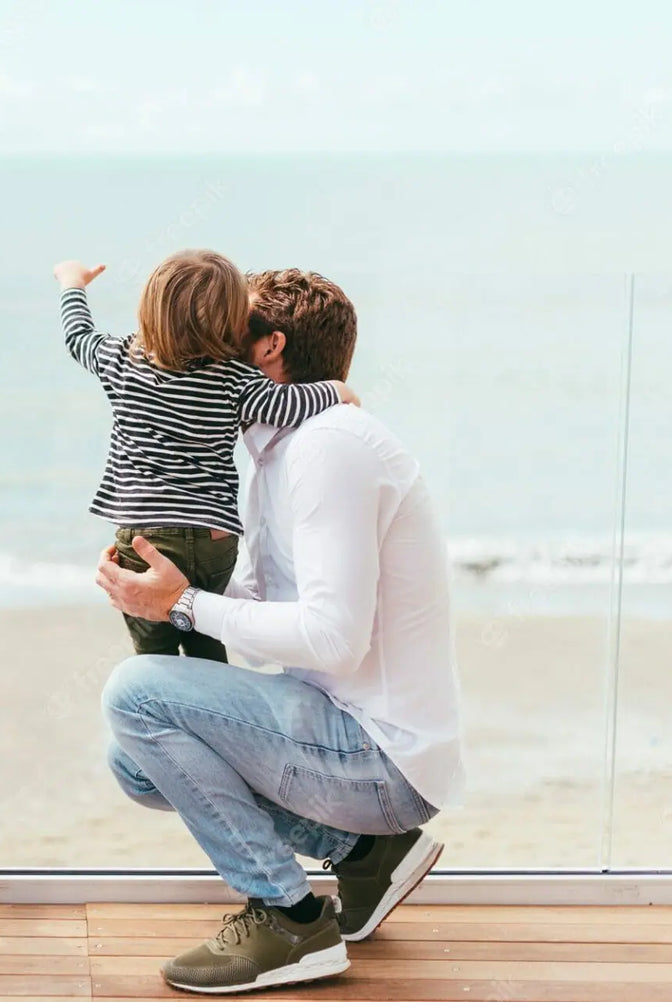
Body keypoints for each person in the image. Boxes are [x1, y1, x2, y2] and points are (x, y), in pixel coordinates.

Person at [95, 269, 465, 995]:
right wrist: (162, 593)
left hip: (375, 754)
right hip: (343, 738)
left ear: (269, 351)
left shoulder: (330, 448)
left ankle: (290, 916)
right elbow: (271, 614)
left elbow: (332, 639)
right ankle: (360, 853)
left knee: (135, 694)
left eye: (217, 344)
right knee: (135, 759)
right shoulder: (279, 452)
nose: (193, 362)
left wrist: (186, 606)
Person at [55, 251, 357, 661]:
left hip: (147, 536)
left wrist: (72, 283)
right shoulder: (236, 380)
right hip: (214, 541)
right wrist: (336, 390)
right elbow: (288, 404)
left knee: (153, 657)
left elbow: (77, 335)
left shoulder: (120, 360)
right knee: (207, 640)